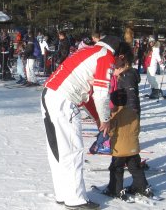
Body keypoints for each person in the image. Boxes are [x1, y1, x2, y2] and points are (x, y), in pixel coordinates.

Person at [41, 35, 121, 209]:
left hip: (50, 93)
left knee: (57, 150)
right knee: (72, 149)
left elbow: (88, 95)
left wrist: (98, 118)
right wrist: (106, 120)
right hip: (64, 100)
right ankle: (75, 198)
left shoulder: (87, 50)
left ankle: (63, 193)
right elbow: (101, 93)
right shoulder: (106, 56)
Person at [102, 42, 153, 201]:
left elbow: (131, 100)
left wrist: (122, 118)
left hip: (125, 119)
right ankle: (140, 185)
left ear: (122, 58)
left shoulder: (127, 76)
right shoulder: (124, 75)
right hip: (128, 118)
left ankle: (115, 188)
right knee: (132, 155)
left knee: (118, 156)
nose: (112, 64)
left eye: (114, 60)